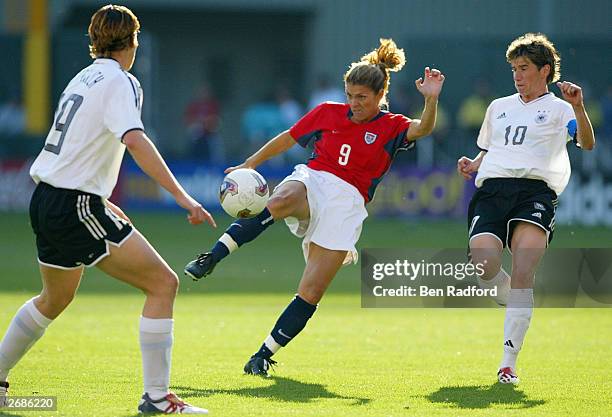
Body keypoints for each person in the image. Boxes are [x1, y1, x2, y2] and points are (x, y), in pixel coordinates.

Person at [0, 5, 215, 414]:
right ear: (133, 42)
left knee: (54, 298)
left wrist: (105, 207)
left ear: (94, 39)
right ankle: (156, 398)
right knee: (163, 284)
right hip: (76, 203)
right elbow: (134, 140)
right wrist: (184, 197)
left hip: (47, 198)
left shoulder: (82, 77)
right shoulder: (122, 81)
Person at [185, 38, 445, 376]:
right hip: (314, 178)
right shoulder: (328, 113)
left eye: (362, 98)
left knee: (311, 291)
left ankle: (263, 354)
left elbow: (424, 128)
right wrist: (249, 163)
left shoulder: (392, 125)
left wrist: (431, 99)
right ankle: (212, 256)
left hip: (348, 204)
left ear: (380, 96)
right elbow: (288, 137)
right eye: (349, 95)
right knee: (281, 198)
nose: (353, 104)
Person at [457, 33, 595, 385]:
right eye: (514, 68)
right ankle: (512, 297)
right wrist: (474, 164)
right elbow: (492, 148)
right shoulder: (498, 107)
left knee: (523, 269)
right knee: (483, 264)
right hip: (492, 191)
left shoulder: (561, 108)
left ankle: (508, 362)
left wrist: (578, 107)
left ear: (544, 70)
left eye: (524, 68)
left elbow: (586, 142)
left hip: (535, 193)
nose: (517, 75)